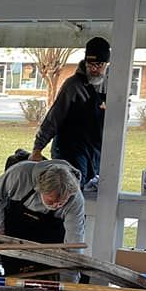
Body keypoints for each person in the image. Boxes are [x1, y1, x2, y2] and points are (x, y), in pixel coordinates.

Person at [0, 155, 85, 276]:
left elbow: (73, 244)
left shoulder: (75, 200)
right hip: (12, 231)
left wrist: (71, 278)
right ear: (40, 189)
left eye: (62, 202)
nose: (56, 205)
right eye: (51, 201)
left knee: (46, 275)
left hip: (48, 240)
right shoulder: (19, 175)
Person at [29, 37, 110, 188]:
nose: (93, 69)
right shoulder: (73, 86)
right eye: (90, 64)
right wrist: (37, 148)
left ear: (106, 64)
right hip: (69, 150)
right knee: (71, 188)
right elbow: (54, 118)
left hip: (94, 150)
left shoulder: (113, 87)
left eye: (98, 65)